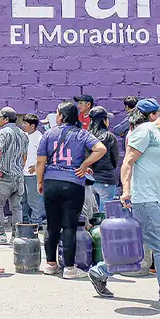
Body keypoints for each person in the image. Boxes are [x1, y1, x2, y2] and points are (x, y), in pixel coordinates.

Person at [87, 99, 160, 312]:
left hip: (154, 200)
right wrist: (126, 190)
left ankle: (100, 271)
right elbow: (128, 162)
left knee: (138, 244)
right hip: (143, 198)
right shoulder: (145, 132)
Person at [36, 101, 107, 279]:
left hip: (51, 182)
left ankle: (50, 264)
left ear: (62, 116)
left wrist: (40, 182)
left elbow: (40, 162)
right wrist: (84, 164)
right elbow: (101, 149)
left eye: (57, 113)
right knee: (69, 226)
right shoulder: (82, 134)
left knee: (52, 225)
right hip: (73, 183)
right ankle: (69, 268)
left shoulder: (48, 134)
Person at [0, 106, 29, 243]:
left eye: (0, 117)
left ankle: (1, 235)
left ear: (6, 119)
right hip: (18, 177)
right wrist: (19, 168)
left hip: (4, 176)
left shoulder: (3, 133)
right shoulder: (23, 134)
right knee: (17, 207)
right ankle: (16, 235)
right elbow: (24, 156)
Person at [88, 106, 119, 211]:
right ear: (104, 120)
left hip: (90, 180)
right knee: (105, 213)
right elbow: (115, 161)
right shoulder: (109, 137)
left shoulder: (87, 137)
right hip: (106, 179)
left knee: (92, 213)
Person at [21, 113, 46, 226]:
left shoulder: (40, 138)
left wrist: (36, 166)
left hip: (34, 174)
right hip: (22, 173)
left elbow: (45, 155)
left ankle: (37, 222)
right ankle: (25, 222)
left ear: (32, 126)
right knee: (23, 200)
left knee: (34, 200)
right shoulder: (24, 136)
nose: (23, 125)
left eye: (25, 123)